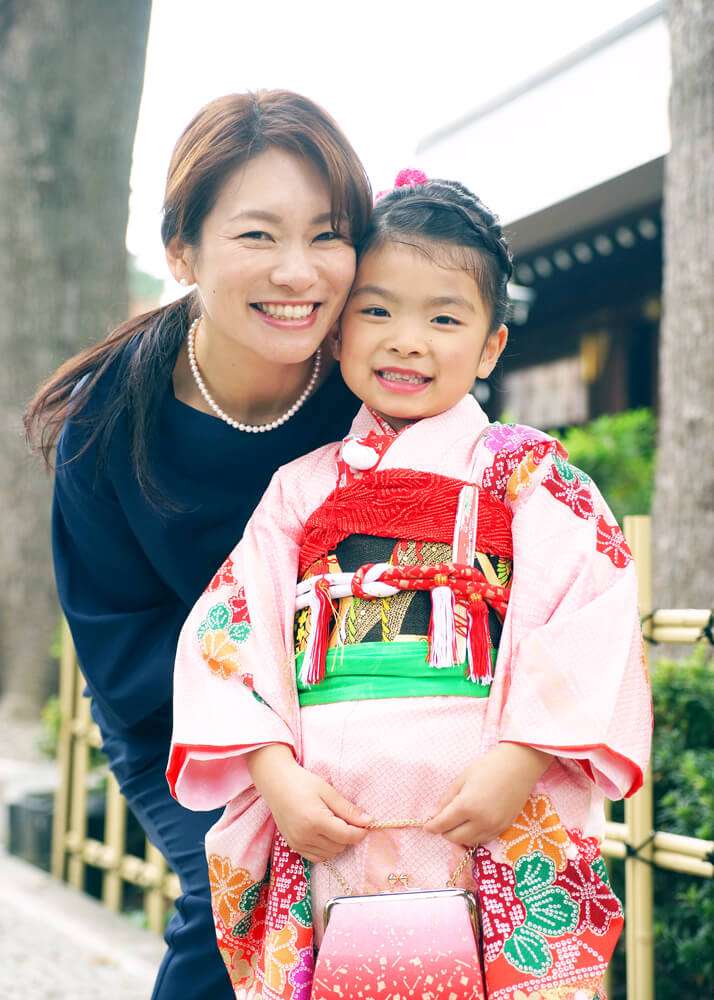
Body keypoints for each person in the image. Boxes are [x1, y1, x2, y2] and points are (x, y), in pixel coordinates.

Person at [168, 171, 652, 1000]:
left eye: (445, 317)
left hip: (489, 808)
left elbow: (589, 612)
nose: (407, 340)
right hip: (330, 810)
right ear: (338, 328)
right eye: (378, 310)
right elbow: (230, 627)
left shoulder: (527, 472)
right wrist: (277, 779)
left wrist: (519, 759)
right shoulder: (297, 488)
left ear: (492, 344)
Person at [25, 90, 372, 1000]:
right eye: (258, 236)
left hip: (366, 702)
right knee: (242, 902)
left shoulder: (381, 387)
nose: (299, 272)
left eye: (328, 234)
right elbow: (124, 645)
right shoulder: (106, 428)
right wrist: (265, 758)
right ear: (183, 251)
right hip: (180, 726)